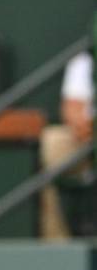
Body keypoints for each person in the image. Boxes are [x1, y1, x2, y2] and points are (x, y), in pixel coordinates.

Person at [39, 47, 94, 239]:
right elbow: (73, 112)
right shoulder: (86, 59)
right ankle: (56, 245)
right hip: (87, 143)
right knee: (51, 142)